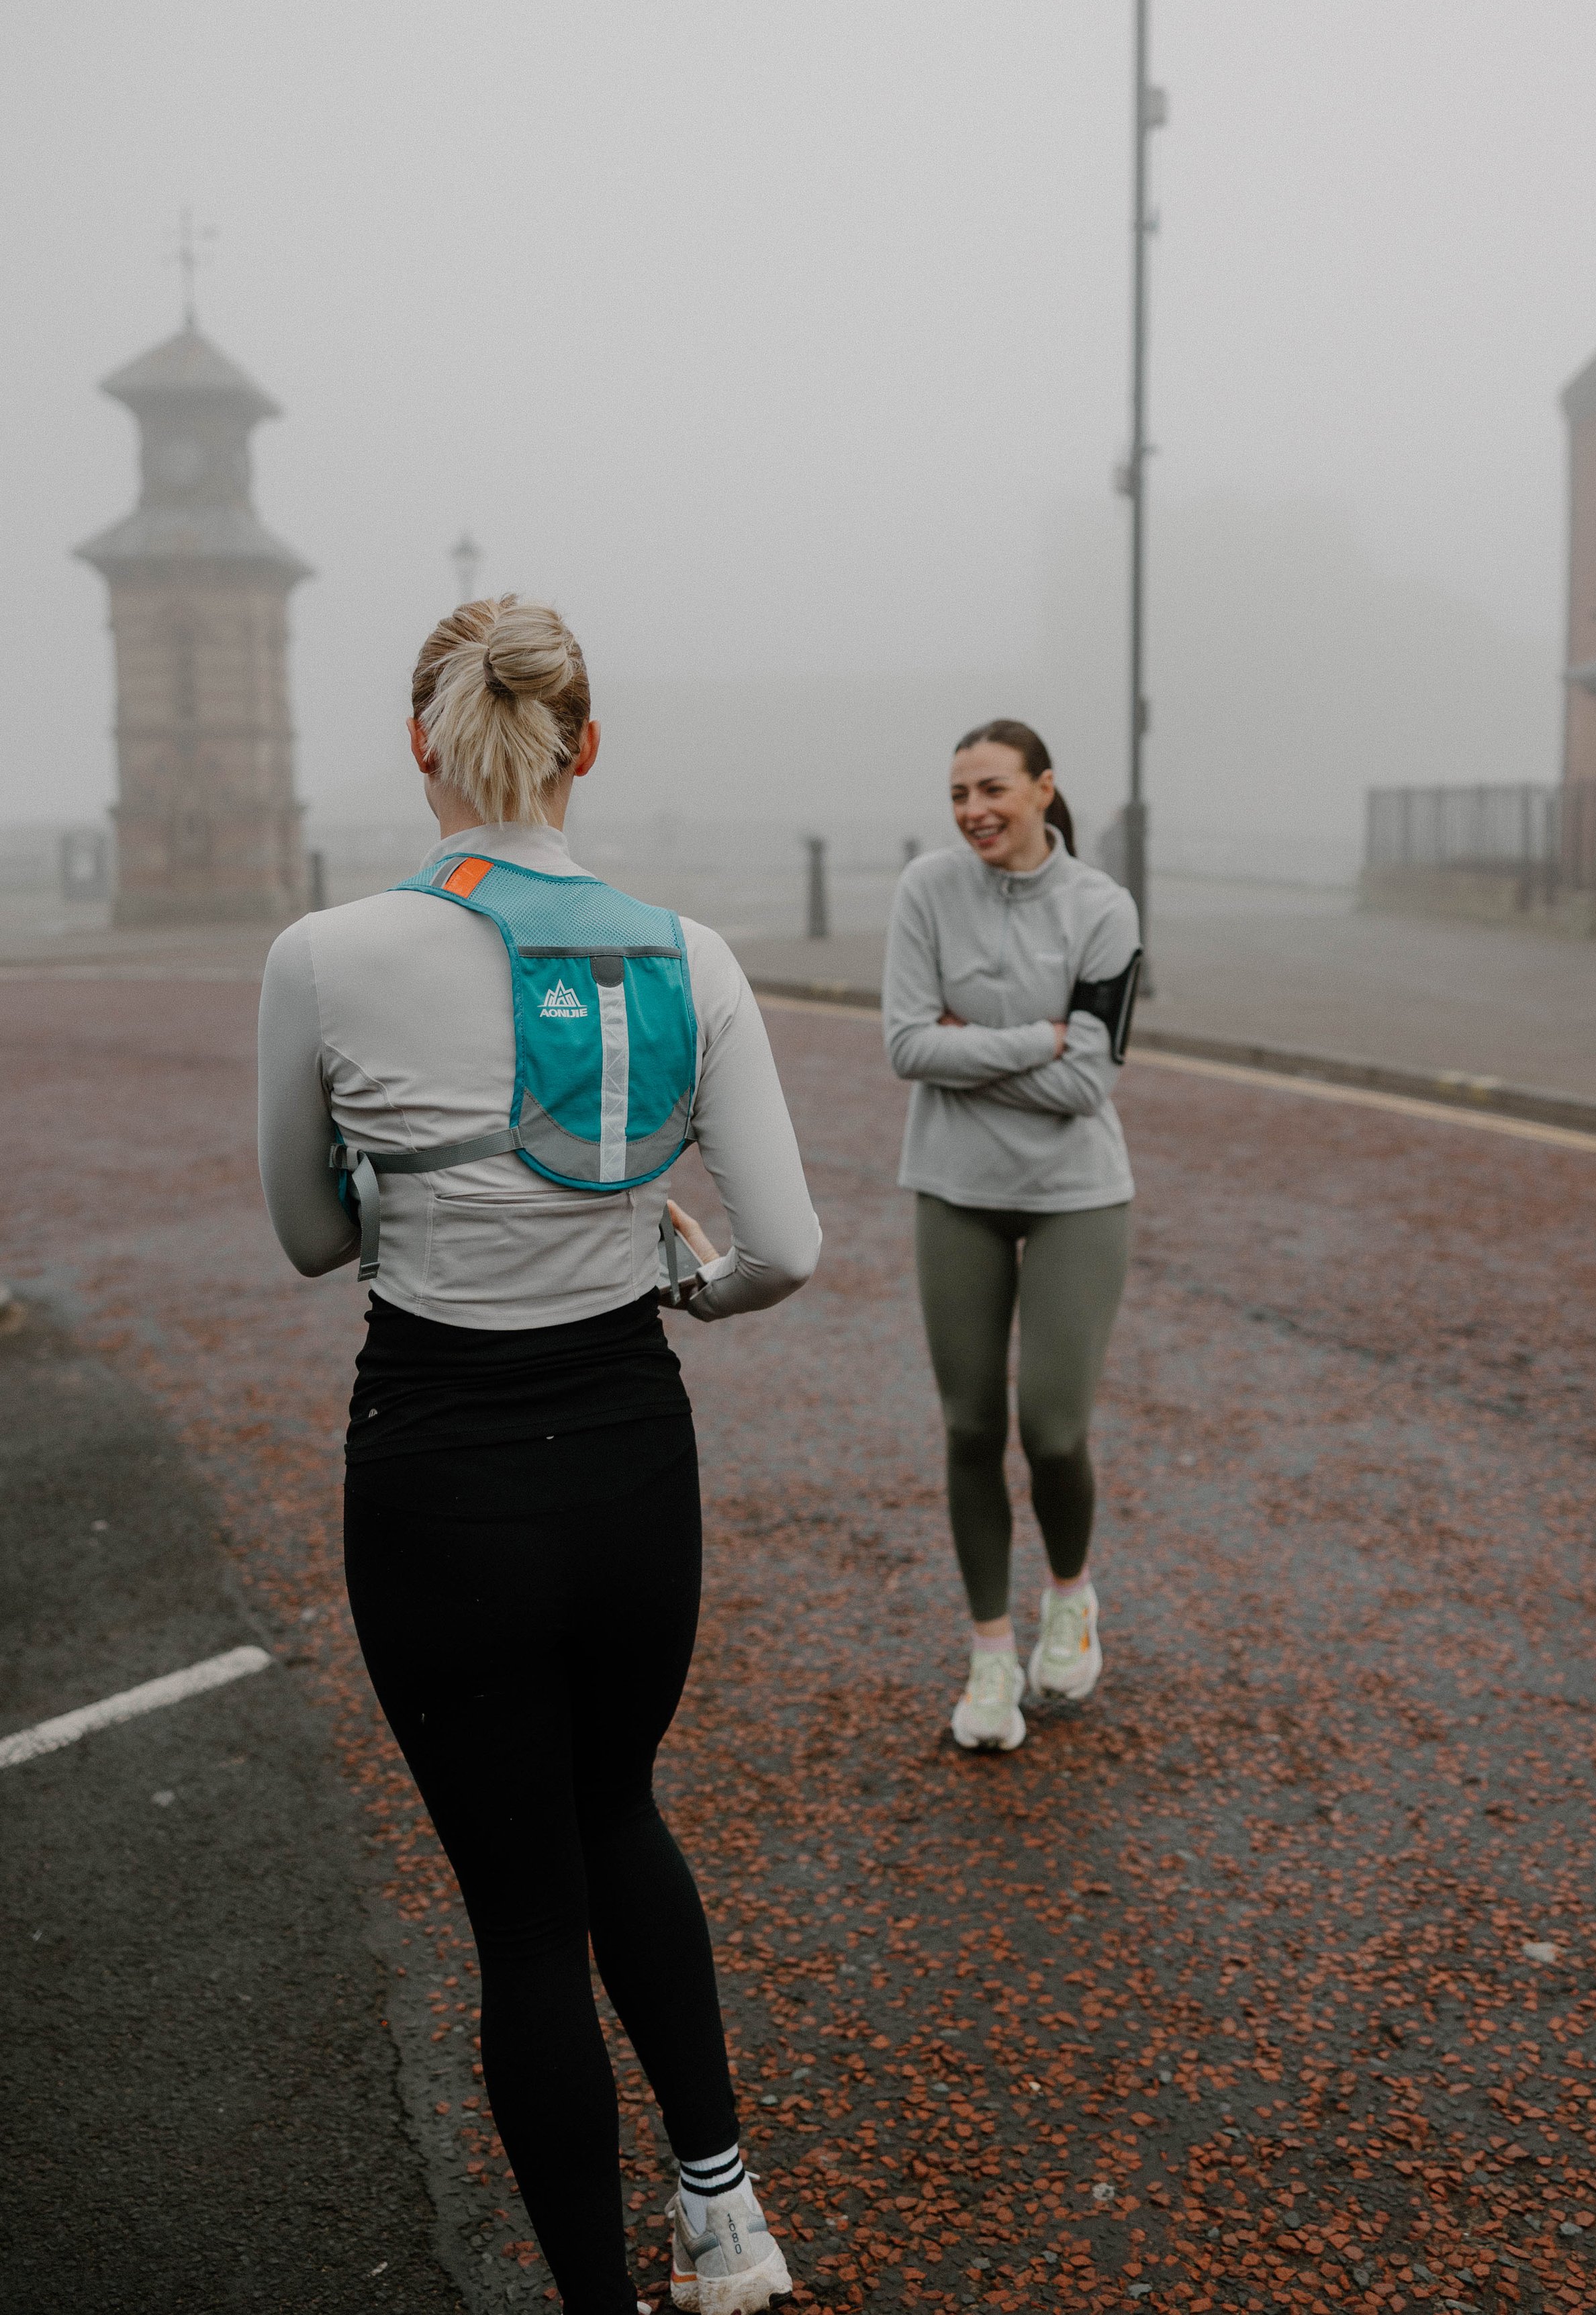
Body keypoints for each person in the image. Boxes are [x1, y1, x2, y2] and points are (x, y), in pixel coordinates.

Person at [256, 597, 819, 2315]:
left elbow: (303, 1235)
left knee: (520, 1915)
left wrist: (408, 1179)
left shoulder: (325, 954)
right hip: (632, 1456)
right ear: (586, 745)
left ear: (421, 744)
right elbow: (782, 1244)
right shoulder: (692, 953)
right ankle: (723, 2209)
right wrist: (687, 1284)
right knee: (620, 1805)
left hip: (438, 1465)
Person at [883, 720, 1139, 1754]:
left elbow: (1090, 1080)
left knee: (1055, 1430)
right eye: (957, 793)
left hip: (1079, 1191)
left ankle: (1071, 1594)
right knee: (971, 1428)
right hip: (954, 1184)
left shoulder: (1103, 910)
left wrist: (970, 1045)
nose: (973, 810)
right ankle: (992, 1653)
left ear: (1043, 789)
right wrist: (1039, 1035)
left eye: (992, 787)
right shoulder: (924, 892)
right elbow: (904, 1044)